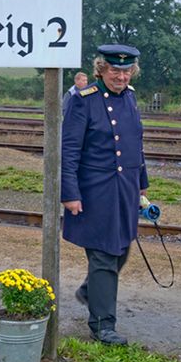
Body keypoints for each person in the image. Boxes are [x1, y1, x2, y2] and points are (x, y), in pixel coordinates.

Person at [61, 45, 148, 346]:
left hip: (124, 189)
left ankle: (89, 291)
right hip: (95, 191)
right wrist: (70, 193)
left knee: (122, 249)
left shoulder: (131, 98)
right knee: (105, 254)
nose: (121, 76)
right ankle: (103, 325)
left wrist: (141, 183)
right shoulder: (83, 101)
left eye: (126, 71)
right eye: (115, 70)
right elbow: (69, 150)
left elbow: (136, 142)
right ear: (101, 69)